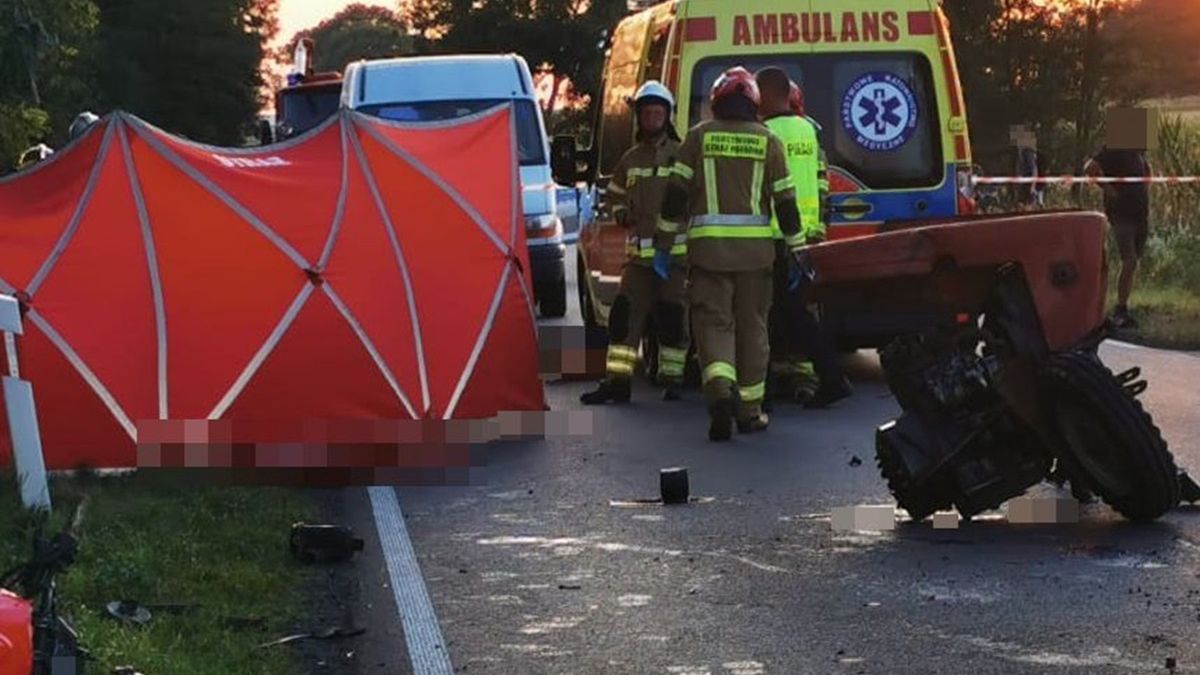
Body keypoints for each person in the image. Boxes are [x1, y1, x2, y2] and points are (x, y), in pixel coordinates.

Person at [654, 66, 804, 441]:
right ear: (753, 102)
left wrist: (663, 246)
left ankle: (720, 392)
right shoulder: (768, 141)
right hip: (757, 256)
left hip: (708, 254)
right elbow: (786, 204)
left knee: (713, 324)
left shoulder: (697, 137)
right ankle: (750, 412)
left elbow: (675, 197)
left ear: (717, 101)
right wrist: (797, 250)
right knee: (753, 328)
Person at [581, 81, 689, 405]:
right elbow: (614, 195)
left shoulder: (683, 156)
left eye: (658, 113)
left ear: (668, 116)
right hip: (639, 260)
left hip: (675, 259)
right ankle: (618, 382)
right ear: (639, 117)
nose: (652, 118)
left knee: (673, 318)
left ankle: (673, 379)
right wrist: (620, 213)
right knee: (623, 317)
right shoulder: (630, 159)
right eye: (647, 113)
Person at [757, 69, 851, 411]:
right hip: (806, 237)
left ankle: (765, 391)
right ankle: (827, 378)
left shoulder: (765, 134)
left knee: (765, 315)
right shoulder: (808, 131)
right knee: (796, 313)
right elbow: (819, 182)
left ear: (766, 95)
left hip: (774, 236)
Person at [1084, 142, 1153, 329]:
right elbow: (1090, 168)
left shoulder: (1137, 150)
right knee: (1129, 259)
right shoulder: (1113, 147)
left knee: (1133, 262)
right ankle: (1119, 310)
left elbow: (1145, 170)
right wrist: (1108, 189)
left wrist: (1146, 181)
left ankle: (1122, 307)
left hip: (1139, 212)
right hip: (1121, 213)